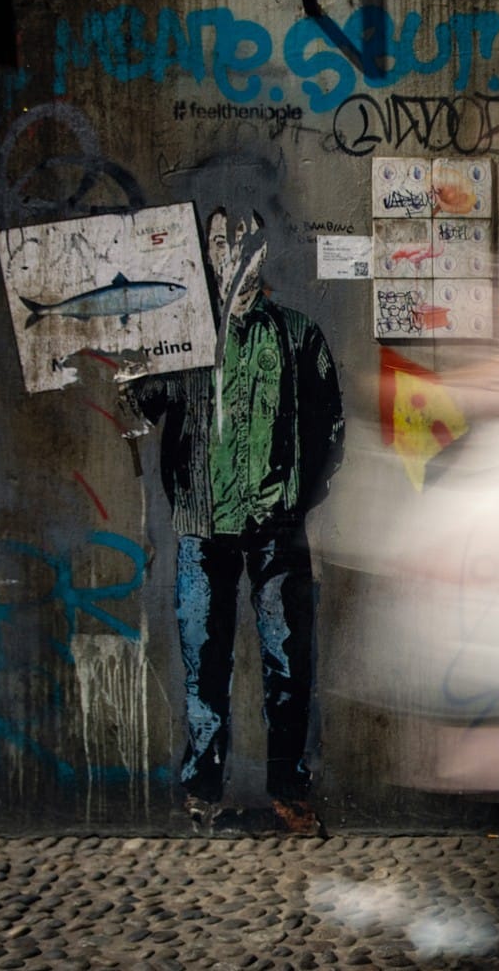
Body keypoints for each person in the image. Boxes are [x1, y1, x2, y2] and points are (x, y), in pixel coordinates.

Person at [127, 204, 345, 835]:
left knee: (287, 664)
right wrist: (130, 381)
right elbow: (147, 403)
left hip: (277, 527)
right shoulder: (185, 340)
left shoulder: (297, 334)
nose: (235, 257)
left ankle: (289, 790)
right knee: (205, 662)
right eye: (221, 244)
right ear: (208, 256)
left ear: (263, 255)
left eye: (245, 244)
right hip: (202, 526)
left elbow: (331, 423)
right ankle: (203, 791)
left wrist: (299, 498)